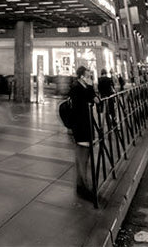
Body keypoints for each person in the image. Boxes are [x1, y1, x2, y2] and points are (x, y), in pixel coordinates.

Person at [68, 65, 99, 201]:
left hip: (85, 126)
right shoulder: (76, 88)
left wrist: (91, 87)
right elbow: (89, 99)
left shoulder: (83, 88)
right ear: (81, 77)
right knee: (82, 157)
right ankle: (83, 187)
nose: (90, 78)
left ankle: (81, 185)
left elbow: (95, 99)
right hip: (80, 127)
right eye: (87, 76)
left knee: (84, 157)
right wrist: (91, 87)